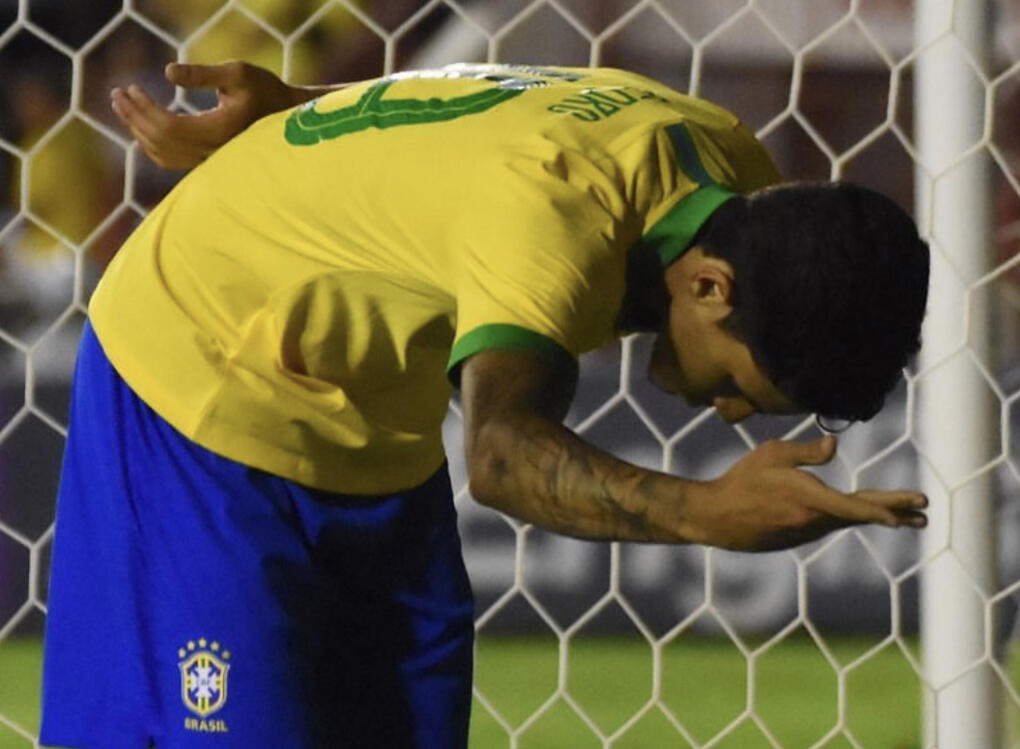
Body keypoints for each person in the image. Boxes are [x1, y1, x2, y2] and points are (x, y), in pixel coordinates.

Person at [41, 60, 930, 748]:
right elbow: (502, 456)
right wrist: (709, 512)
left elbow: (486, 105)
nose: (729, 413)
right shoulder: (555, 219)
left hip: (370, 413)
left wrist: (301, 110)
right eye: (738, 386)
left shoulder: (732, 168)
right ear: (708, 285)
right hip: (199, 374)